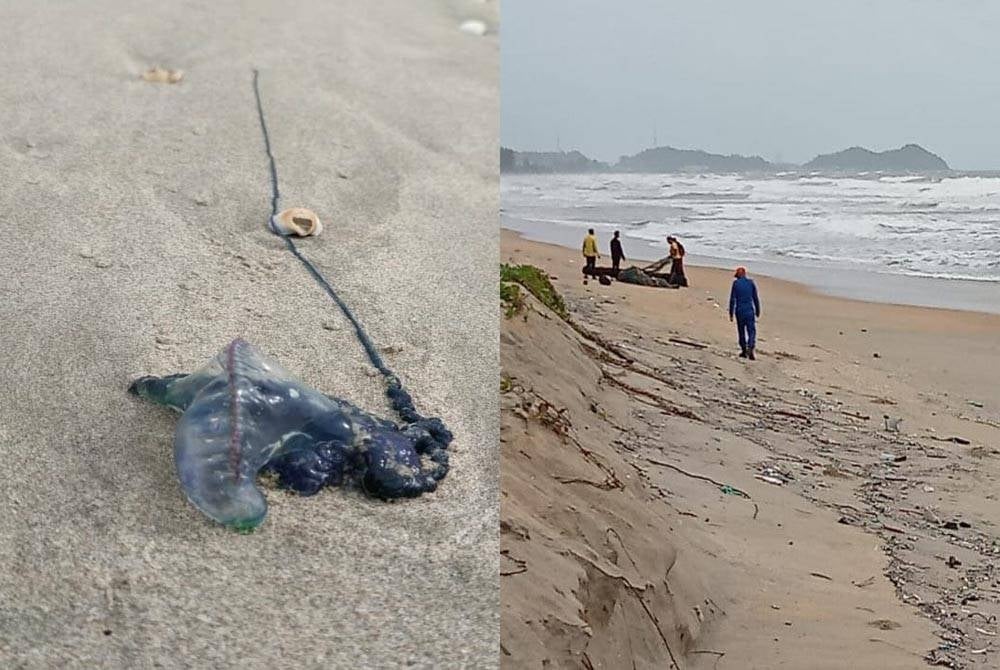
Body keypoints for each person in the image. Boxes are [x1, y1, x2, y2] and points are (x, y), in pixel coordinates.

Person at [728, 266, 761, 360]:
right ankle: (751, 346)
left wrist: (731, 313)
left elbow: (732, 299)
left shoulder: (736, 283)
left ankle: (743, 349)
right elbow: (755, 298)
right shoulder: (751, 283)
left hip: (740, 311)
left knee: (741, 331)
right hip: (750, 310)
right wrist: (758, 310)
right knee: (751, 331)